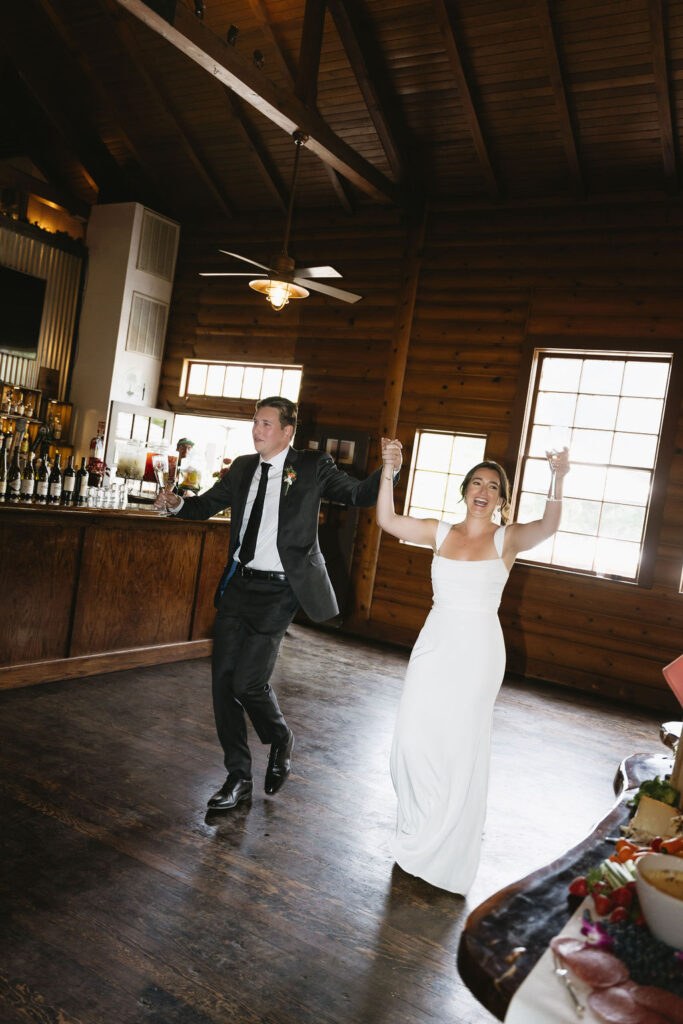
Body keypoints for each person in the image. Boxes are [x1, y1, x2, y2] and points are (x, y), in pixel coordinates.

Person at [155, 397, 401, 812]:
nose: (257, 430)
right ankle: (238, 777)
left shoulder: (312, 466)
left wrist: (389, 468)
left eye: (266, 424)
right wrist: (177, 503)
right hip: (238, 585)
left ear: (288, 432)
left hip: (280, 590)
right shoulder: (242, 468)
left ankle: (280, 736)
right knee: (222, 684)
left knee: (246, 682)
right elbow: (205, 506)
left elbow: (359, 495)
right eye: (255, 423)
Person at [377, 439, 570, 894]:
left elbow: (550, 524)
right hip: (434, 642)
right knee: (412, 739)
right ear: (465, 491)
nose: (484, 491)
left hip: (479, 651)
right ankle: (420, 826)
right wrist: (389, 471)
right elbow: (387, 520)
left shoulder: (507, 539)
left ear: (502, 499)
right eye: (477, 483)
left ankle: (447, 843)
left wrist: (558, 477)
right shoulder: (440, 532)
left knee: (460, 745)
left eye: (494, 486)